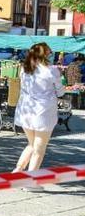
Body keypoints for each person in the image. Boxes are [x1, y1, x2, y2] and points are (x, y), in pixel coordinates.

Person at [14, 43, 65, 171]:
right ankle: (30, 180)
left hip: (26, 110)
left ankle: (17, 171)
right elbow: (60, 92)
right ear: (46, 54)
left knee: (32, 145)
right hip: (43, 112)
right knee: (39, 149)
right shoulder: (51, 70)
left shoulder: (24, 69)